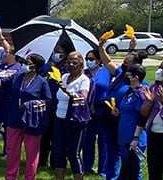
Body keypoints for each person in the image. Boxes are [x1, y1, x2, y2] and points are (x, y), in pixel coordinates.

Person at [0, 53, 52, 180]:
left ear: (35, 66)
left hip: (32, 122)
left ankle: (30, 177)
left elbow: (47, 101)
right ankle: (10, 176)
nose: (24, 64)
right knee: (12, 152)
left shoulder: (41, 82)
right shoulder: (17, 77)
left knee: (31, 154)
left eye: (27, 62)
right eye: (24, 61)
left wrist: (31, 104)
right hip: (14, 119)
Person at [99, 37, 148, 179]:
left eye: (127, 64)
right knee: (113, 152)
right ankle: (111, 176)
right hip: (115, 121)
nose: (123, 65)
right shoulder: (121, 75)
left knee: (133, 166)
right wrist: (101, 46)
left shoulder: (141, 87)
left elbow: (143, 113)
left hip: (131, 127)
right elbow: (107, 61)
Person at [52, 51, 91, 180]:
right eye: (69, 61)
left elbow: (83, 98)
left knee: (73, 154)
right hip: (60, 118)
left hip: (75, 121)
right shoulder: (64, 77)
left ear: (81, 63)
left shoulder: (84, 80)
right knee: (59, 152)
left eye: (75, 62)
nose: (71, 64)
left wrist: (67, 91)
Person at [39, 39, 73, 169]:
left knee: (57, 137)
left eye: (59, 52)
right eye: (55, 51)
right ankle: (42, 160)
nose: (56, 54)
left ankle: (55, 162)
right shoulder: (47, 66)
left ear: (65, 54)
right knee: (44, 135)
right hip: (46, 105)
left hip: (59, 107)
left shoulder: (67, 69)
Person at [81, 49, 114, 176]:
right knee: (87, 140)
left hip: (103, 110)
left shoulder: (106, 72)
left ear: (99, 60)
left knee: (103, 140)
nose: (88, 61)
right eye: (87, 58)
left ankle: (103, 170)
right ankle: (87, 166)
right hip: (87, 111)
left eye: (91, 59)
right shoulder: (84, 73)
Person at [112, 64, 148, 179]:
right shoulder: (129, 92)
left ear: (136, 77)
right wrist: (118, 113)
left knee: (135, 170)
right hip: (124, 137)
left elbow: (142, 117)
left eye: (128, 75)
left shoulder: (140, 94)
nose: (126, 77)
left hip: (134, 138)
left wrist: (136, 139)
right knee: (125, 168)